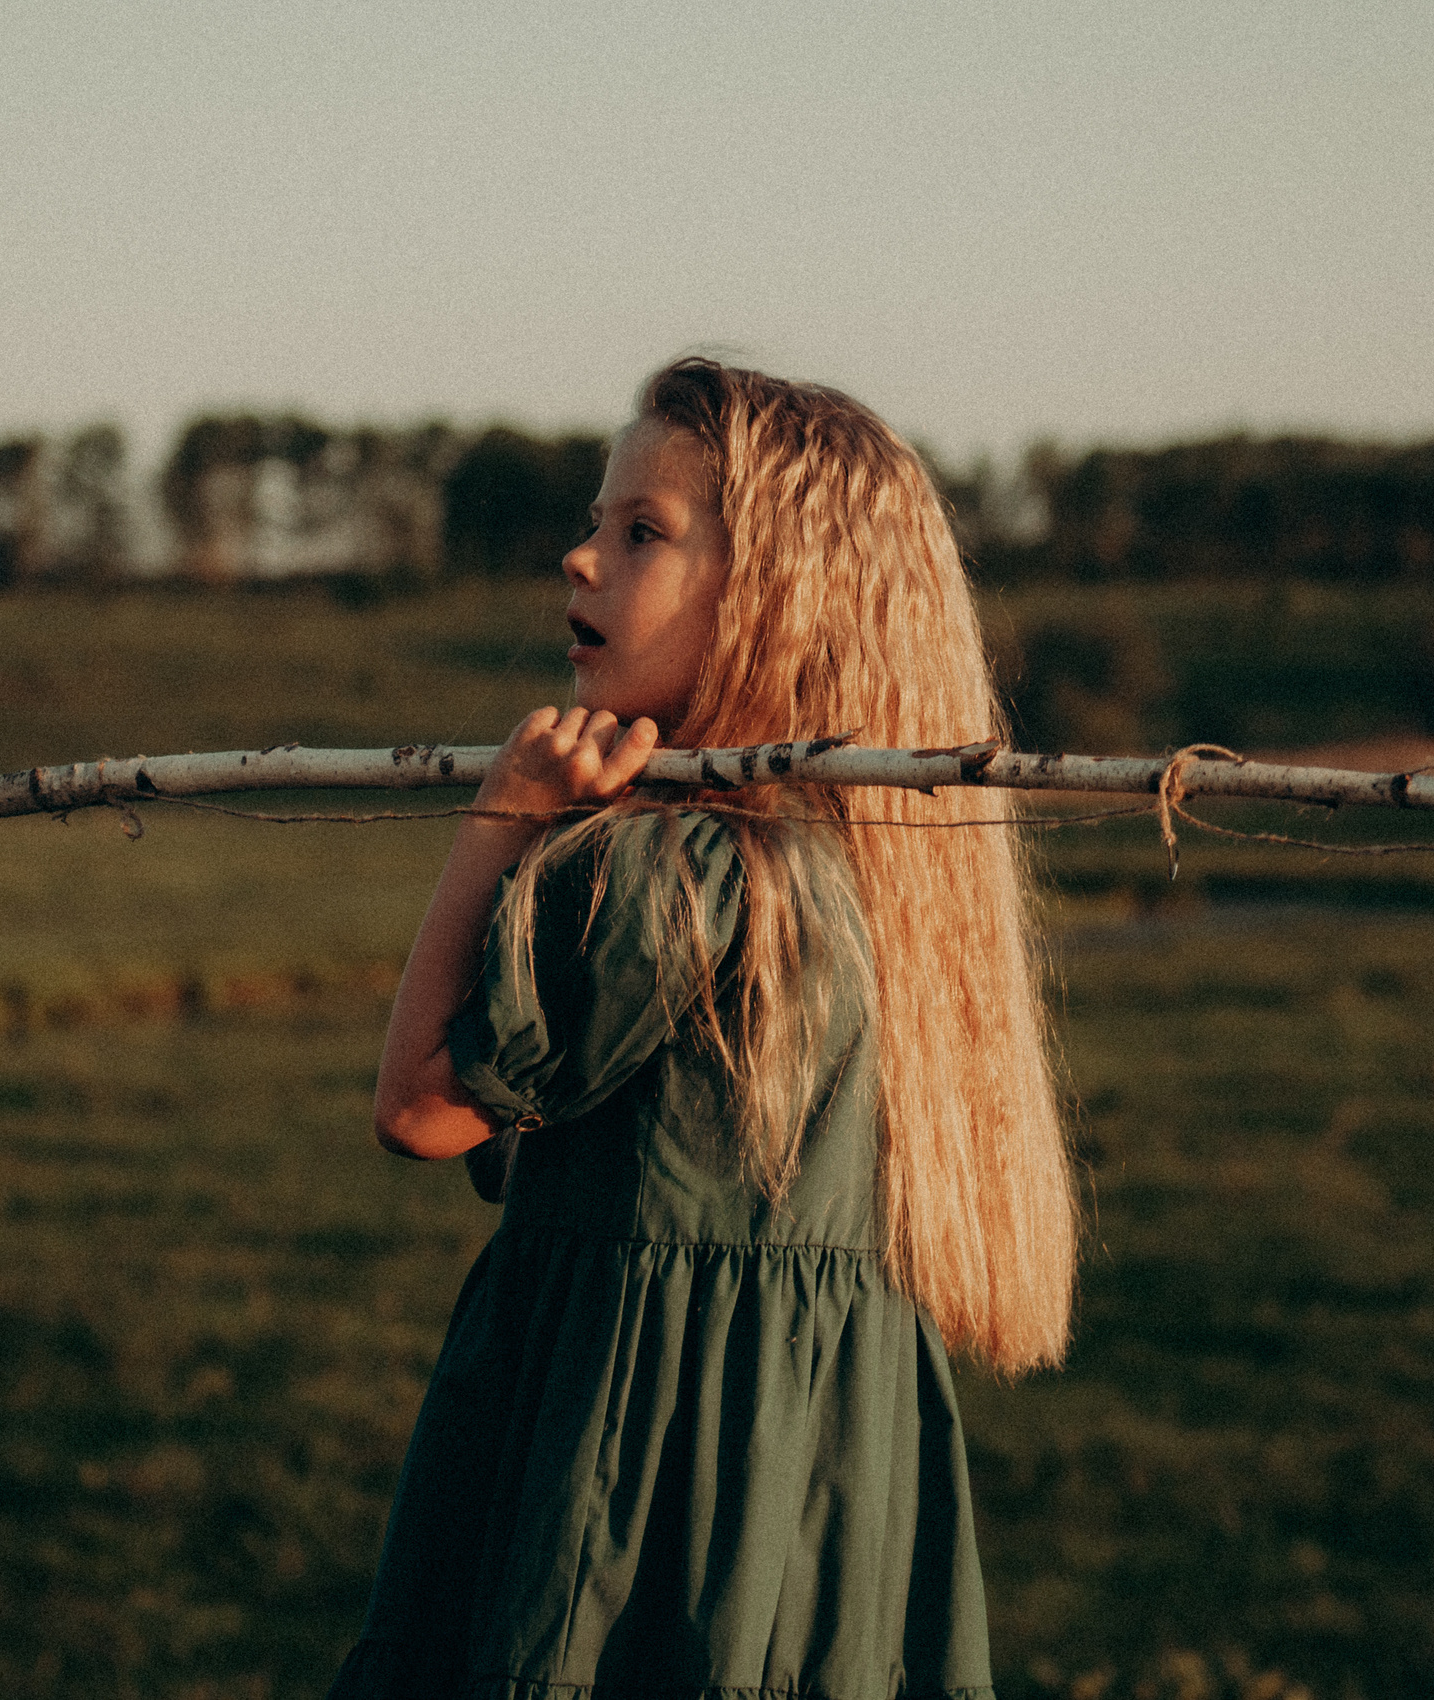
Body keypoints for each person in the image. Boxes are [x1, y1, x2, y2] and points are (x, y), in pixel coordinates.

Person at [336, 358, 1076, 1700]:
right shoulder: (873, 868)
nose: (579, 555)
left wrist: (504, 813)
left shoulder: (676, 872)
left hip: (634, 1481)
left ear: (777, 600)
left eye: (641, 532)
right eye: (598, 518)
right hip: (820, 1478)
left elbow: (423, 1106)